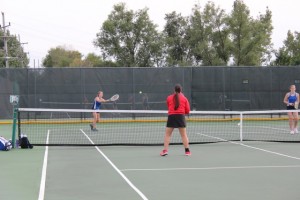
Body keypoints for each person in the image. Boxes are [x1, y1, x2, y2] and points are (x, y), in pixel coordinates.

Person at [160, 84, 191, 156]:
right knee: (184, 135)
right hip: (181, 117)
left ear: (174, 90)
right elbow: (188, 110)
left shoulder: (169, 98)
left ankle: (165, 151)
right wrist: (182, 112)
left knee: (167, 135)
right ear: (181, 90)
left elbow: (169, 106)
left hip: (172, 117)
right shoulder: (184, 98)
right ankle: (187, 151)